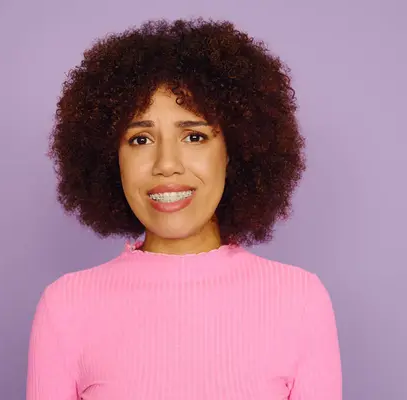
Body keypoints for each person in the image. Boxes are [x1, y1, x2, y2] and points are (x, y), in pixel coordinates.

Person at [26, 18, 342, 400]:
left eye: (194, 136)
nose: (166, 164)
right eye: (140, 139)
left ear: (235, 151)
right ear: (113, 158)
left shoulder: (301, 300)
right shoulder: (65, 306)